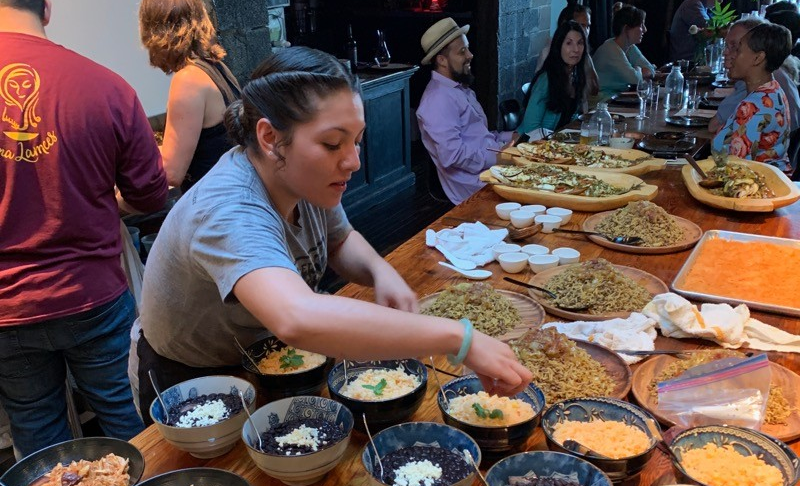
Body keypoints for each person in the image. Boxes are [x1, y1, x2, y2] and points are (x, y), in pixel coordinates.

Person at [132, 46, 532, 423]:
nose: (353, 161)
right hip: (195, 379)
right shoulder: (228, 207)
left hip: (273, 359)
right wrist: (458, 338)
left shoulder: (304, 178)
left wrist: (379, 271)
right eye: (332, 143)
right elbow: (297, 316)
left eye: (356, 141)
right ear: (270, 138)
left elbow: (339, 238)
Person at [0, 0, 168, 457]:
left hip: (7, 307)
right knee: (129, 419)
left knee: (36, 434)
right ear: (47, 8)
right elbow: (151, 195)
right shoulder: (104, 85)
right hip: (92, 291)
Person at [140, 0, 241, 193]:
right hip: (234, 193)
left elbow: (172, 173)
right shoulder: (216, 66)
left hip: (214, 202)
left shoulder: (188, 79)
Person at [416, 18, 515, 205]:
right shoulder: (437, 99)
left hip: (491, 171)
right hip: (474, 187)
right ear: (442, 60)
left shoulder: (458, 88)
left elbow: (478, 137)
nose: (470, 55)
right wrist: (499, 157)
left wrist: (509, 137)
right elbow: (454, 155)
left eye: (468, 48)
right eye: (462, 51)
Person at [711, 22, 793, 171]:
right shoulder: (774, 91)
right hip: (772, 182)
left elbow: (737, 171)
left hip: (758, 188)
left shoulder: (752, 107)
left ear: (758, 58)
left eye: (738, 49)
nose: (731, 55)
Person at [709, 18, 800, 136]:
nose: (726, 53)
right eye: (727, 46)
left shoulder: (754, 103)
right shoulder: (774, 86)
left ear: (758, 57)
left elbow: (715, 130)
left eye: (737, 48)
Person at [518, 21, 587, 136]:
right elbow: (530, 128)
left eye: (580, 43)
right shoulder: (546, 80)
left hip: (559, 143)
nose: (576, 49)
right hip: (535, 145)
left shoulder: (575, 76)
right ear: (558, 46)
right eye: (569, 43)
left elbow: (571, 118)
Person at [534, 2, 599, 98]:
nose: (585, 31)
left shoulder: (581, 51)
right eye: (580, 25)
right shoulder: (548, 53)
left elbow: (595, 88)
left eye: (588, 26)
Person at [593, 4, 656, 100]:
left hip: (616, 99)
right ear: (626, 29)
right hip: (600, 103)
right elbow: (635, 79)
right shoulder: (610, 49)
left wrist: (637, 70)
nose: (645, 30)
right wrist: (639, 69)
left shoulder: (630, 47)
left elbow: (651, 69)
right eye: (640, 25)